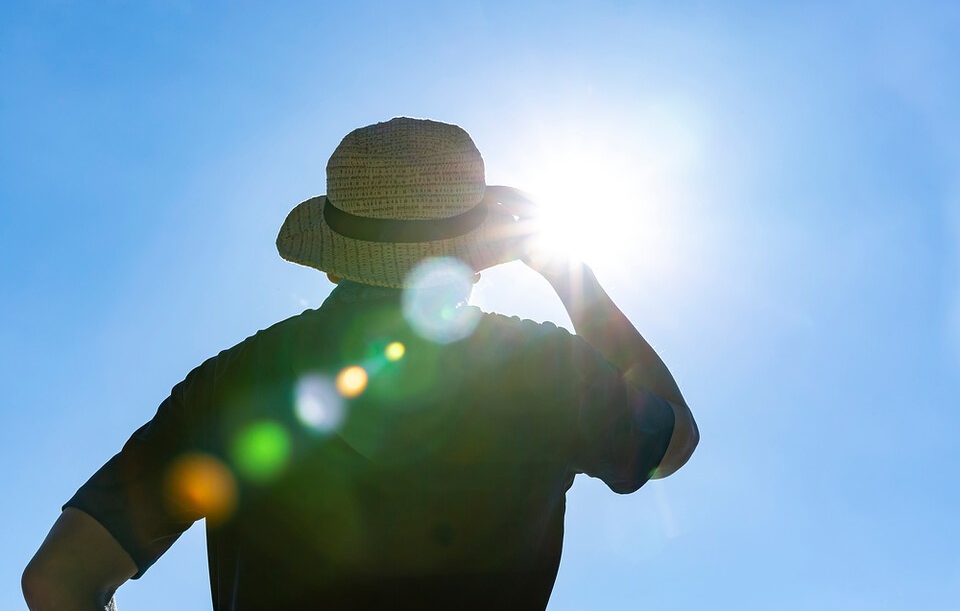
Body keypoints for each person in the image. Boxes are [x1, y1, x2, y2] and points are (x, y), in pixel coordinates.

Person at [22, 117, 698, 610]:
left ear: (336, 244)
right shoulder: (545, 368)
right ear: (479, 241)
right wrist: (570, 274)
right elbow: (673, 442)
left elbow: (57, 581)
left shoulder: (232, 381)